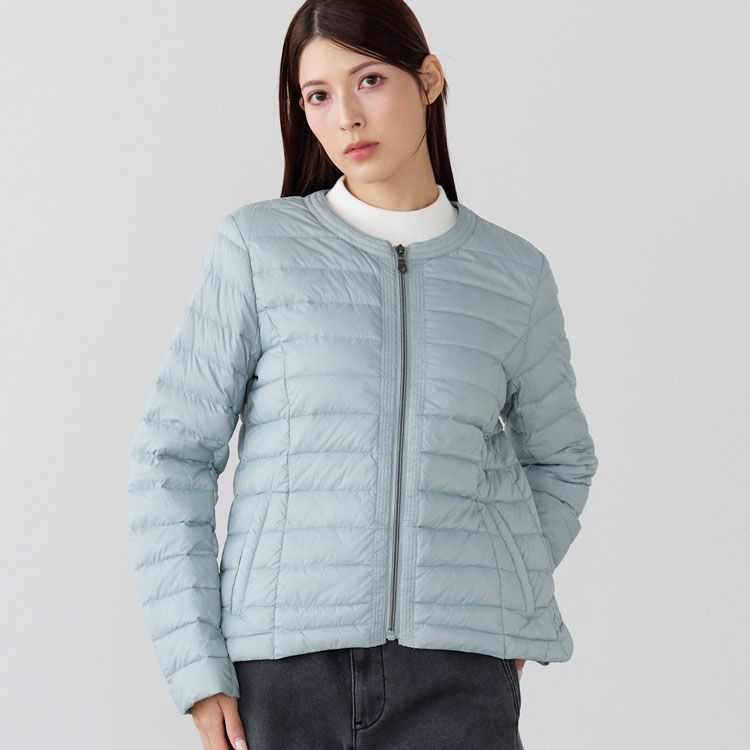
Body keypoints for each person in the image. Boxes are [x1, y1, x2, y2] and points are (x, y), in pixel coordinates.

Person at [126, 1, 598, 748]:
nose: (346, 115)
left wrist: (500, 594)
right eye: (318, 94)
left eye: (370, 79)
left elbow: (562, 457)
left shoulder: (513, 274)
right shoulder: (258, 249)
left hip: (459, 676)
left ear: (429, 80)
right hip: (284, 673)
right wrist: (196, 663)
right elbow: (173, 457)